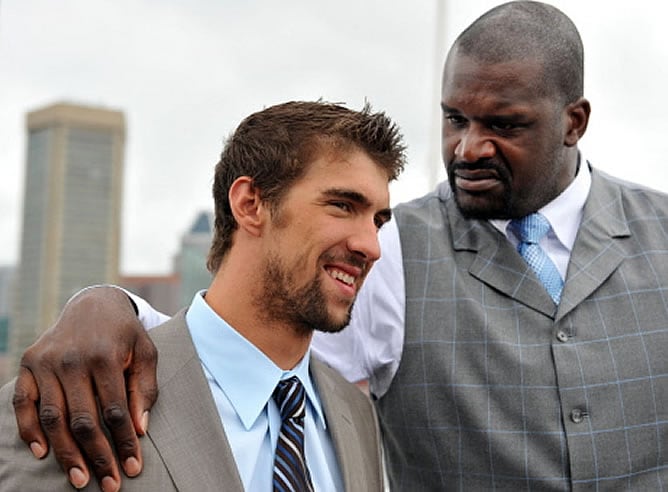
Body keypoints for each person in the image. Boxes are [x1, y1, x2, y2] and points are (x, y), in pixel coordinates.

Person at [9, 1, 668, 490]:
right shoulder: (403, 247)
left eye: (503, 125)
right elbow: (244, 346)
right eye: (454, 119)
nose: (468, 148)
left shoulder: (661, 232)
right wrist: (108, 303)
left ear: (574, 122)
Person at [0, 100, 407, 491]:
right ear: (250, 204)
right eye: (341, 205)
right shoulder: (78, 393)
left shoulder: (357, 415)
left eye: (378, 220)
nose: (371, 246)